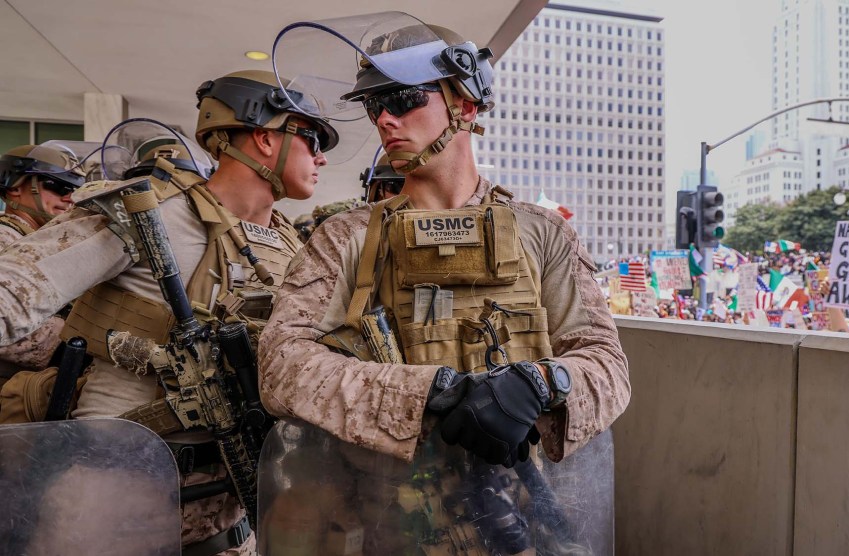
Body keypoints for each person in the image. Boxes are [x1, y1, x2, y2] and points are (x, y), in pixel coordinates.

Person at [257, 15, 629, 550]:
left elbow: (606, 363)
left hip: (519, 521)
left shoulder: (541, 234)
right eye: (373, 105)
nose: (385, 119)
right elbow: (281, 364)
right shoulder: (345, 238)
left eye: (405, 98)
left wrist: (544, 385)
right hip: (389, 521)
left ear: (466, 106)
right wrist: (425, 393)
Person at [0, 70, 337, 555]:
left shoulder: (290, 244)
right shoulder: (146, 212)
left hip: (230, 511)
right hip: (113, 497)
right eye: (311, 138)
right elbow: (13, 291)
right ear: (265, 137)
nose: (321, 155)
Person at [0, 144, 86, 394]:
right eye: (58, 187)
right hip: (10, 392)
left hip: (31, 387)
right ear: (15, 186)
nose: (69, 198)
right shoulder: (5, 238)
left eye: (74, 190)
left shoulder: (38, 241)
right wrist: (74, 340)